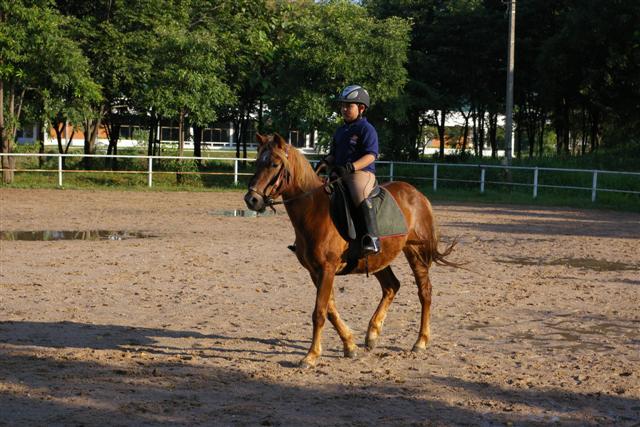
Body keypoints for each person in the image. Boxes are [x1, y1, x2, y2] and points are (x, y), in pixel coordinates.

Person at [315, 84, 380, 255]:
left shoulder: (366, 129)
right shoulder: (340, 130)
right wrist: (324, 162)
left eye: (348, 106)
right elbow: (334, 154)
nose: (344, 109)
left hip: (361, 174)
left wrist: (351, 167)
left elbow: (371, 155)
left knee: (358, 193)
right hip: (340, 173)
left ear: (361, 108)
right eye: (342, 106)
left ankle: (371, 238)